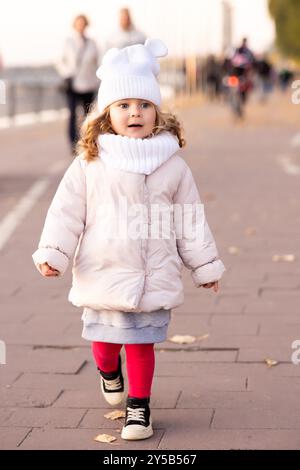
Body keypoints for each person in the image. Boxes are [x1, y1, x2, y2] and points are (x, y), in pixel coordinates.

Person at [32, 38, 225, 441]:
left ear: (158, 112)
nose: (134, 112)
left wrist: (204, 265)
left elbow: (190, 219)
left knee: (141, 343)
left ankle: (139, 407)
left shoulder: (172, 165)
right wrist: (54, 251)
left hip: (152, 274)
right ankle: (107, 371)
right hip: (102, 270)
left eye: (143, 105)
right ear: (106, 115)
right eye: (123, 106)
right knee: (104, 343)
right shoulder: (90, 162)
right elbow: (66, 210)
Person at [56, 14, 100, 154]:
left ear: (86, 25)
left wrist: (97, 79)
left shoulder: (92, 43)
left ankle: (88, 141)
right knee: (72, 115)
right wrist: (67, 73)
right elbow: (59, 61)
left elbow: (97, 62)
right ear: (75, 25)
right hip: (73, 84)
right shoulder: (68, 42)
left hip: (88, 84)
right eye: (78, 23)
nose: (81, 26)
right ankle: (73, 144)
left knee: (88, 115)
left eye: (83, 23)